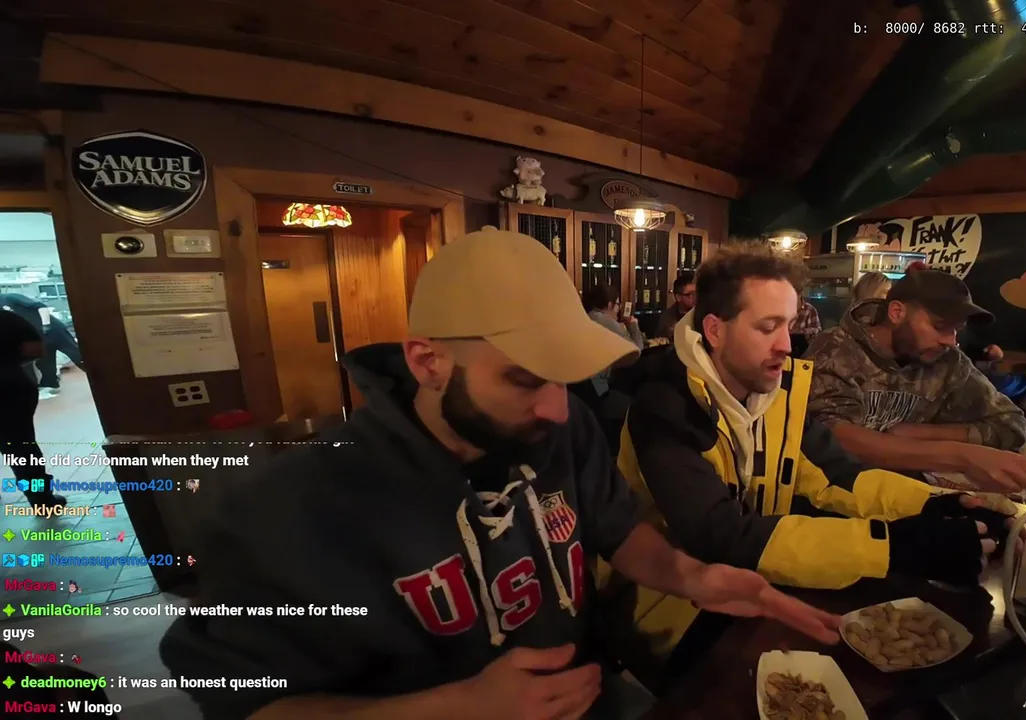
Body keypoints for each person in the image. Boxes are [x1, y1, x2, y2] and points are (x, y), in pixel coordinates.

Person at [160, 228, 841, 720]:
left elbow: (614, 527)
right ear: (427, 362)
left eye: (564, 379)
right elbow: (248, 705)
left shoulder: (563, 426)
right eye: (524, 379)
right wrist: (459, 707)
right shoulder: (288, 508)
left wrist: (691, 577)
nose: (557, 408)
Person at [610, 245, 1012, 683]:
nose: (786, 345)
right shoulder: (665, 405)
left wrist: (938, 504)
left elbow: (838, 475)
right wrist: (897, 547)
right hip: (667, 616)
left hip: (759, 585)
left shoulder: (775, 395)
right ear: (715, 330)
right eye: (768, 327)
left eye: (789, 324)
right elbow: (720, 534)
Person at [805, 265, 1026, 491]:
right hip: (834, 497)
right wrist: (963, 456)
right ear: (897, 312)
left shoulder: (948, 361)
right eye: (940, 326)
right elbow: (832, 437)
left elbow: (1013, 424)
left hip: (914, 495)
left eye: (956, 330)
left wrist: (918, 433)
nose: (950, 341)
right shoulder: (836, 349)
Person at [0, 309, 65, 510]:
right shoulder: (7, 319)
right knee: (21, 448)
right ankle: (42, 500)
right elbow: (36, 350)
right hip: (9, 388)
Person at [581, 284, 645, 449]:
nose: (618, 309)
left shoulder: (587, 317)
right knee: (639, 407)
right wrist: (633, 326)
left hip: (585, 391)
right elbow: (636, 350)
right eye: (617, 304)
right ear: (609, 304)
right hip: (598, 394)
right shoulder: (602, 319)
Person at [654, 274, 696, 341]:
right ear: (678, 297)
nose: (694, 297)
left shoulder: (703, 314)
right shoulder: (666, 318)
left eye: (696, 293)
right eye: (689, 294)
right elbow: (660, 341)